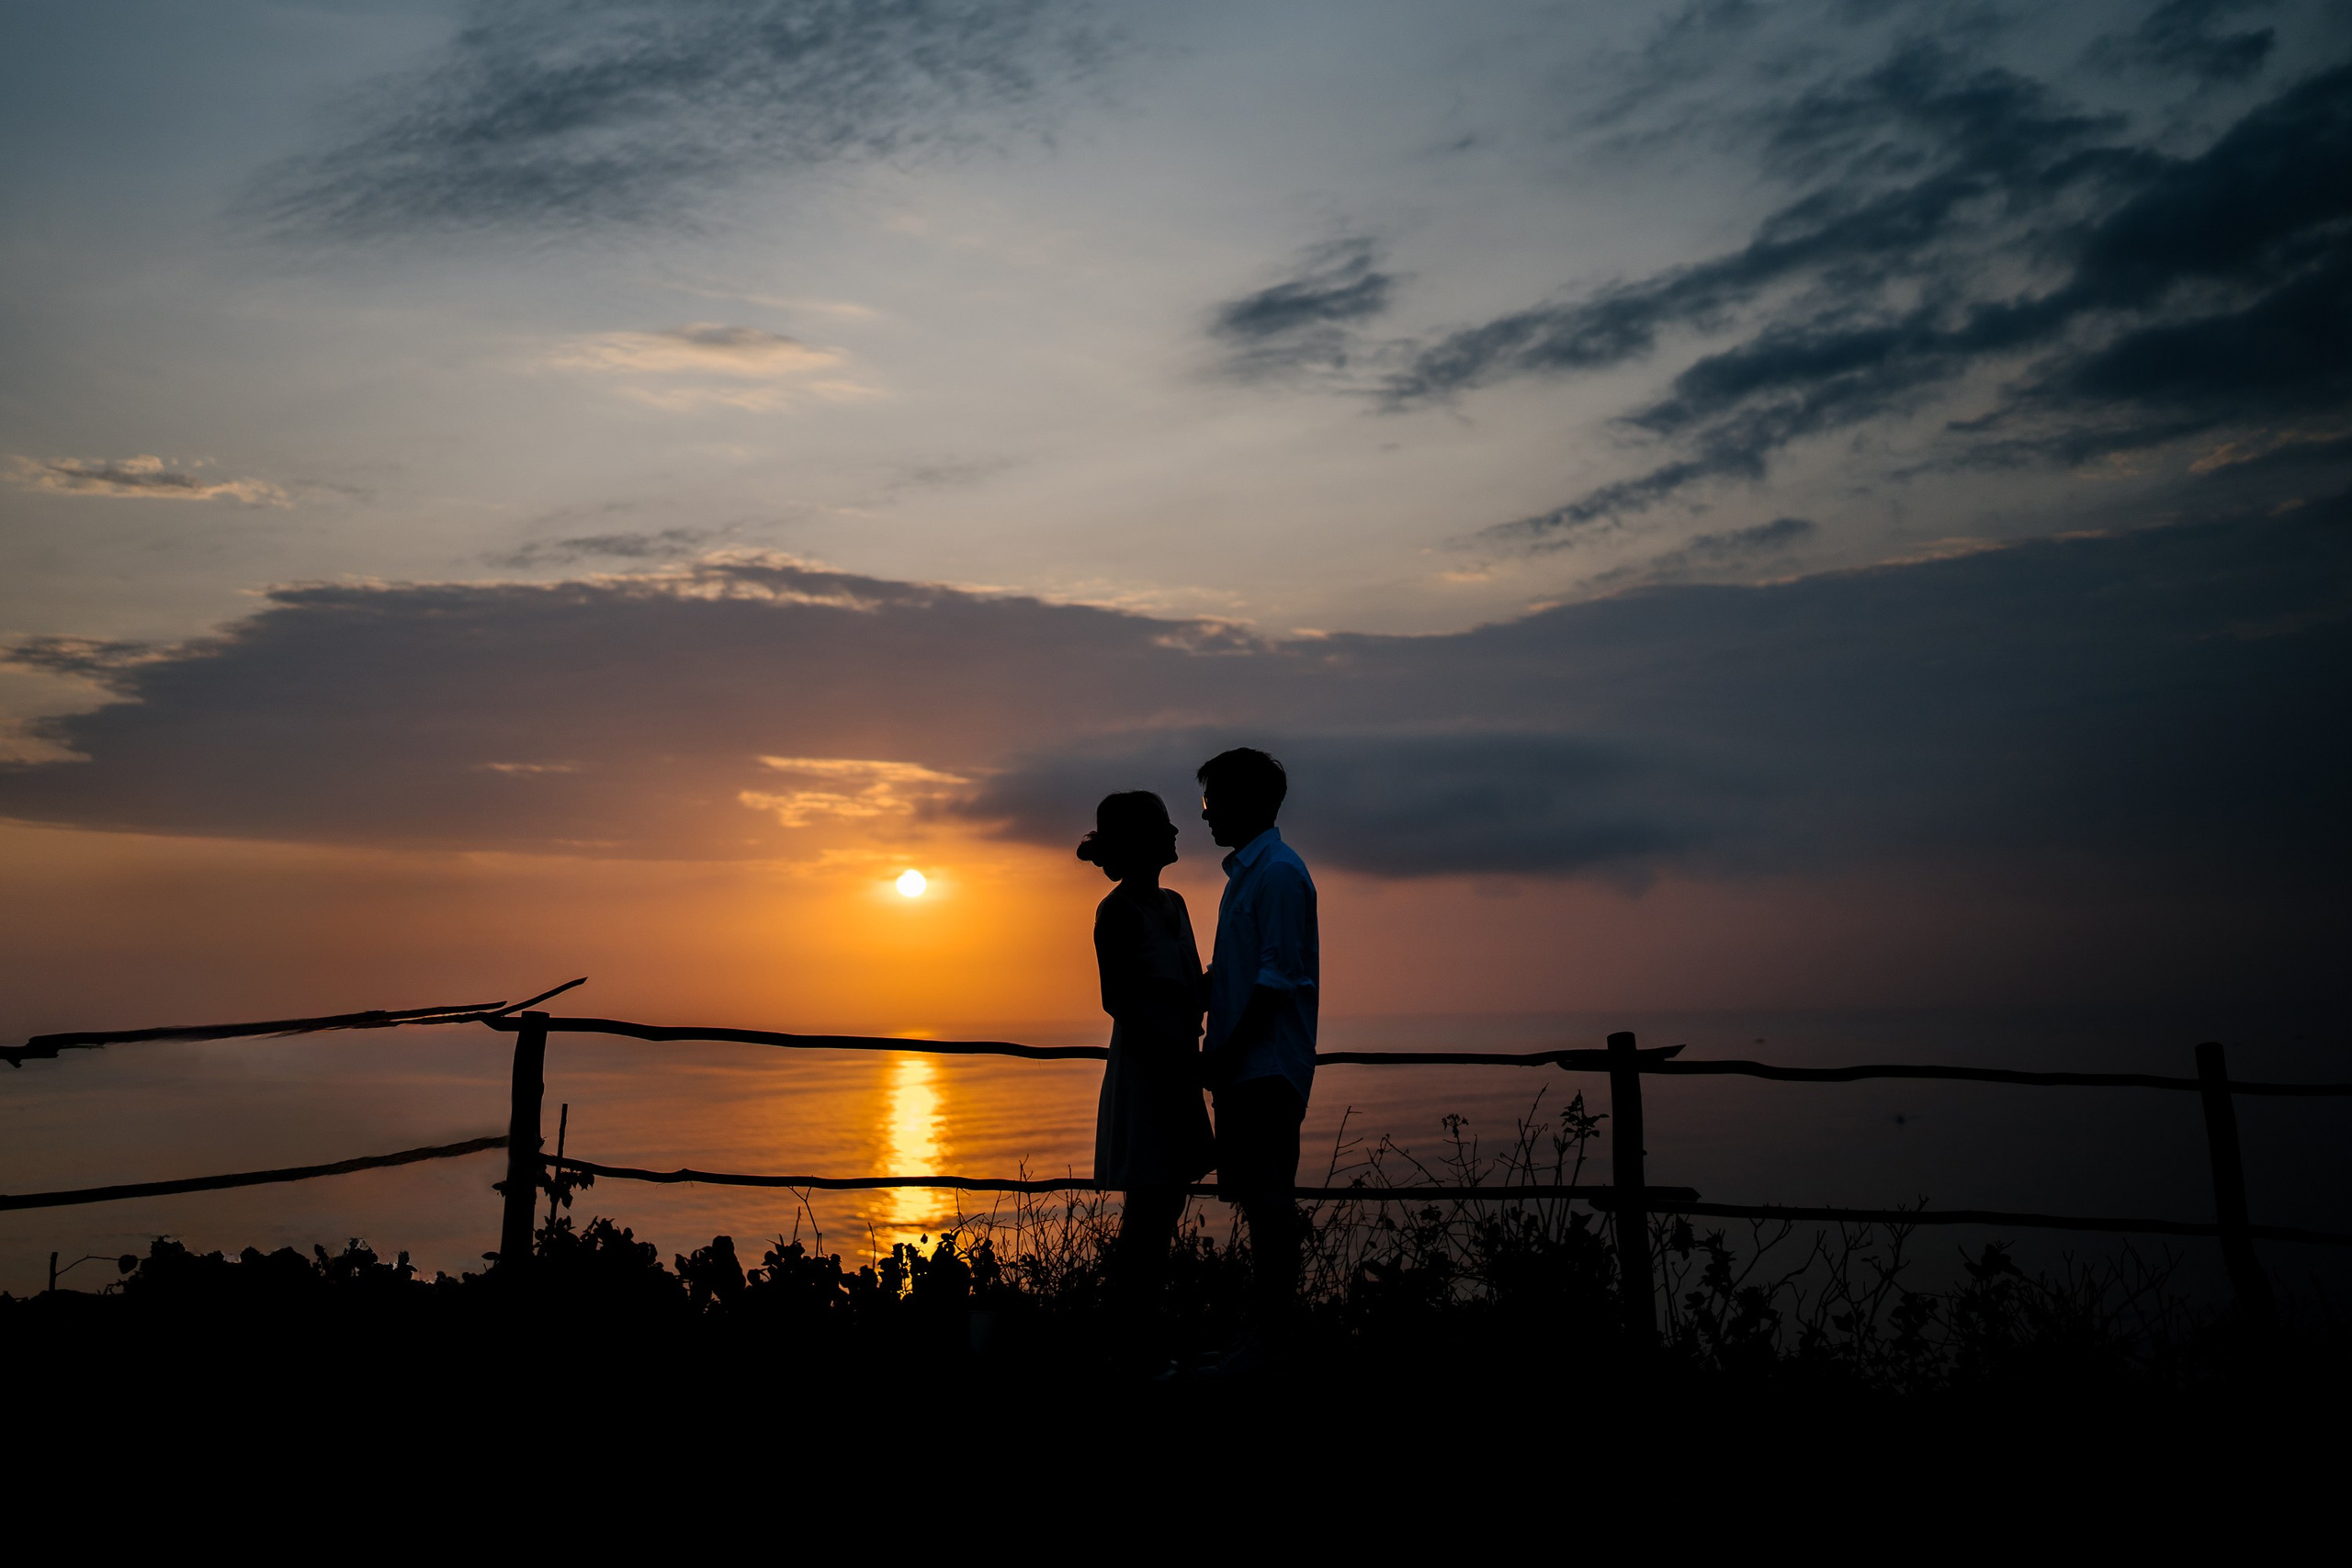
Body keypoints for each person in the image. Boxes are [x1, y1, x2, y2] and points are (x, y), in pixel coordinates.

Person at [1078, 790, 1215, 1358]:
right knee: (1149, 1213)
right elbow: (1121, 1001)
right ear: (1139, 842)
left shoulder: (1175, 904)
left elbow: (1190, 987)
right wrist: (1182, 1056)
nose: (1177, 832)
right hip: (1150, 1071)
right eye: (1163, 826)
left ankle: (1139, 1341)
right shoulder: (1116, 912)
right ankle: (1129, 1346)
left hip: (1180, 1065)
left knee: (1165, 1209)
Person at [1196, 747, 1317, 1374]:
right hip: (1250, 1064)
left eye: (1213, 798)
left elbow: (1276, 980)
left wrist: (1227, 1053)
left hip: (1263, 1067)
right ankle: (1262, 1338)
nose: (1207, 812)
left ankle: (1270, 1343)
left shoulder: (1275, 874)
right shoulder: (1251, 873)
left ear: (1246, 800)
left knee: (1268, 1204)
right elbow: (1242, 975)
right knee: (1259, 1202)